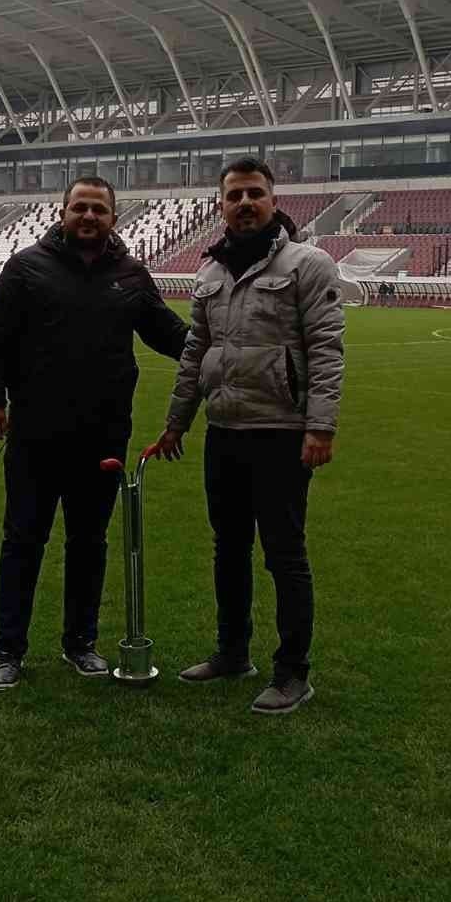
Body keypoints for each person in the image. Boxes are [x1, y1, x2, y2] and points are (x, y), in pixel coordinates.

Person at [0, 176, 188, 690]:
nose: (89, 217)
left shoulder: (132, 275)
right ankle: (8, 651)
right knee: (23, 542)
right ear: (62, 212)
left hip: (102, 436)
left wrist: (224, 345)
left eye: (99, 209)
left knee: (89, 543)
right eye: (80, 208)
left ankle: (80, 644)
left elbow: (169, 334)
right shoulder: (26, 267)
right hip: (35, 434)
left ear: (114, 218)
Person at [154, 158, 344, 715]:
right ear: (220, 203)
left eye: (254, 193)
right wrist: (175, 422)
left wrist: (321, 426)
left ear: (273, 200)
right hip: (224, 430)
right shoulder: (210, 273)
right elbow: (195, 354)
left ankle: (293, 673)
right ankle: (232, 652)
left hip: (283, 433)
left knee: (284, 555)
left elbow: (328, 352)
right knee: (228, 550)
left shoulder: (308, 264)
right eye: (234, 194)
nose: (244, 203)